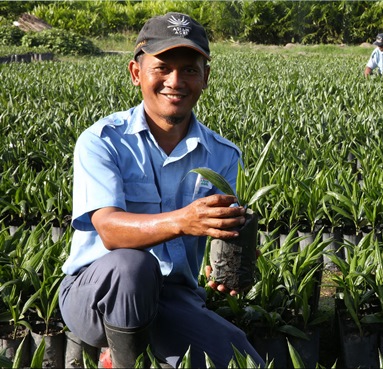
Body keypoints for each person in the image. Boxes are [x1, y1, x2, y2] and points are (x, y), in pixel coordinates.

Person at [58, 12, 265, 368]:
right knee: (131, 266)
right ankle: (119, 360)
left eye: (189, 69)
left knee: (240, 359)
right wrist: (183, 221)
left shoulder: (223, 155)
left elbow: (223, 228)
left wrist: (230, 258)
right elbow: (108, 229)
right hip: (96, 294)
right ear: (136, 73)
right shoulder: (103, 141)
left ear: (205, 77)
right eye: (163, 68)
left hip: (173, 297)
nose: (175, 81)